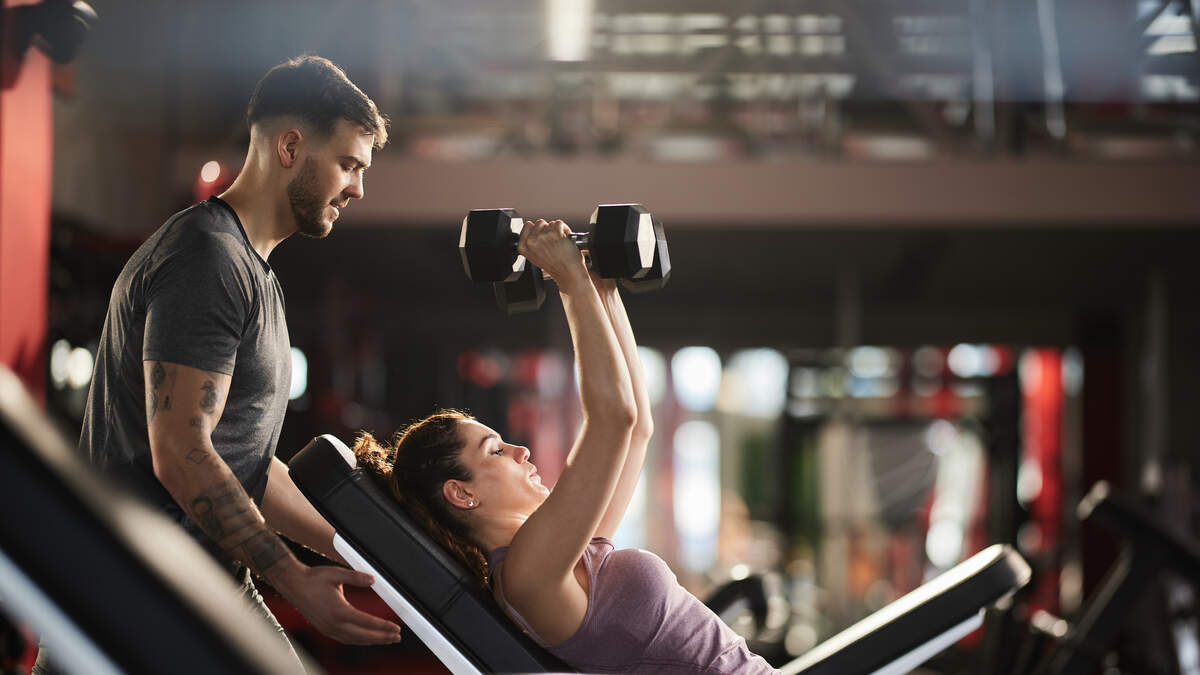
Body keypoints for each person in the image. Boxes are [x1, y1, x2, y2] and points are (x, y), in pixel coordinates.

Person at [45, 55, 403, 674]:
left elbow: (251, 468)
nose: (358, 189)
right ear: (290, 145)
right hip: (142, 592)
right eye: (349, 164)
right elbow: (182, 449)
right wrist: (290, 575)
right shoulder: (207, 260)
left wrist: (371, 556)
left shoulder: (253, 273)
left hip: (199, 579)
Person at [354, 219, 778, 674]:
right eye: (495, 451)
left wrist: (599, 286)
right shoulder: (526, 576)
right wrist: (570, 282)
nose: (522, 452)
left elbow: (637, 429)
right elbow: (614, 419)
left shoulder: (561, 549)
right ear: (461, 493)